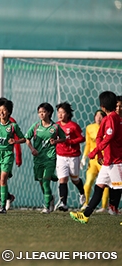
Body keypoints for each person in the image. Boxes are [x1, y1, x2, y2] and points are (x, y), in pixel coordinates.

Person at [70, 91, 122, 224]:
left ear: (102, 106)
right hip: (108, 161)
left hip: (116, 161)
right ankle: (85, 215)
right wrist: (99, 153)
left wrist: (94, 151)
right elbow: (100, 137)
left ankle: (113, 208)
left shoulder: (112, 118)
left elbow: (109, 137)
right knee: (98, 187)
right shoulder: (109, 119)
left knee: (118, 188)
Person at [0, 98, 26, 214]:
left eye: (4, 110)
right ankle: (0, 198)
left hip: (7, 154)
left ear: (9, 111)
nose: (1, 112)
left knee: (3, 180)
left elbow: (23, 139)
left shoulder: (13, 126)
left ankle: (2, 206)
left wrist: (15, 142)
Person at [25, 103, 66, 214]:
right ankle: (50, 197)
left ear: (48, 112)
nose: (41, 114)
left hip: (50, 158)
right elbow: (27, 139)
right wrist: (32, 149)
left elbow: (64, 138)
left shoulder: (55, 127)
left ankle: (47, 206)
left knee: (45, 181)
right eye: (39, 112)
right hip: (38, 159)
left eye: (43, 112)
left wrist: (56, 141)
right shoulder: (36, 126)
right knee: (41, 182)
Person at [55, 102, 86, 211]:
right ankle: (63, 203)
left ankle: (82, 192)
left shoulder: (74, 126)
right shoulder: (56, 126)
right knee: (62, 179)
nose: (60, 115)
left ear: (68, 114)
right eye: (59, 112)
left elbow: (82, 138)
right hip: (61, 156)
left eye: (63, 112)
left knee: (75, 179)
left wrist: (70, 141)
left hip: (73, 156)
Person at [80, 110, 107, 212]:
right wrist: (84, 158)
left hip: (104, 160)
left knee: (104, 184)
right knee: (88, 182)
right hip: (93, 160)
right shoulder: (89, 128)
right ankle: (86, 203)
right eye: (97, 116)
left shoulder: (107, 128)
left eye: (101, 116)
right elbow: (88, 144)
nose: (98, 118)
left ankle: (104, 207)